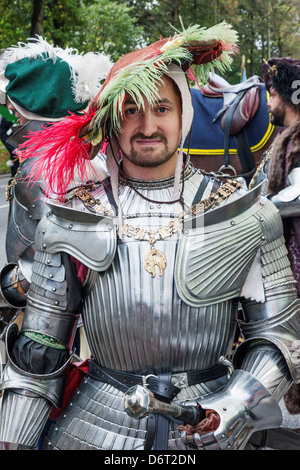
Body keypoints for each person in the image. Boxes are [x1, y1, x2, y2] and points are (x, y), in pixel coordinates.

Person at [0, 22, 299, 451]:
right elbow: (38, 353)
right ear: (112, 122)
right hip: (94, 425)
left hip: (209, 420)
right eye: (131, 111)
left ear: (184, 115)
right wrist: (13, 442)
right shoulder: (73, 215)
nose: (147, 126)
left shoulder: (241, 212)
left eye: (161, 109)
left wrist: (237, 405)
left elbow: (278, 335)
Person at [0, 37, 112, 333]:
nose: (10, 114)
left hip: (60, 322)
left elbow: (45, 269)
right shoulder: (85, 158)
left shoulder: (42, 169)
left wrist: (7, 291)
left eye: (12, 107)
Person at [249, 57, 300, 418]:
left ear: (288, 95)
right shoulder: (287, 138)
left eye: (271, 93)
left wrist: (254, 209)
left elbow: (297, 195)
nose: (268, 102)